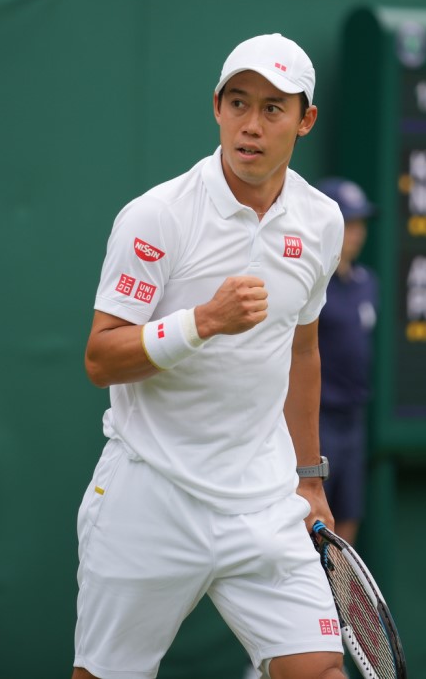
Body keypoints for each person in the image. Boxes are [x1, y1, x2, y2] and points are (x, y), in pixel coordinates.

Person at [75, 33, 347, 679]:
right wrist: (203, 323)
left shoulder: (322, 223)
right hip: (150, 490)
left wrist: (308, 478)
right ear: (217, 108)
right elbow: (101, 359)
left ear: (305, 120)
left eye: (273, 108)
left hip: (262, 500)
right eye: (238, 103)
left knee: (319, 673)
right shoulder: (157, 217)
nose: (251, 126)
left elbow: (302, 351)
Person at [314, 178, 378, 547]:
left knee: (347, 519)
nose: (356, 233)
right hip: (317, 420)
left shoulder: (369, 283)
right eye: (347, 223)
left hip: (354, 421)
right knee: (314, 525)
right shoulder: (311, 284)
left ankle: (336, 605)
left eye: (360, 224)